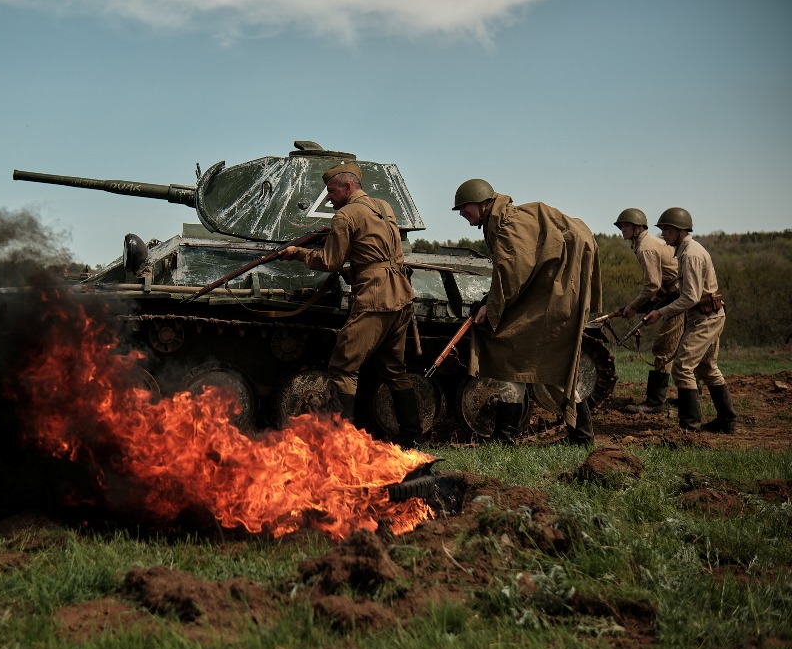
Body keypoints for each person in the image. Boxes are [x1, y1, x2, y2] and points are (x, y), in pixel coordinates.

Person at [277, 161, 422, 447]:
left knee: (344, 368)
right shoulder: (383, 207)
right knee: (395, 369)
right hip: (402, 295)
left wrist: (297, 253)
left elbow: (330, 261)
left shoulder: (345, 216)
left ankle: (340, 442)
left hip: (375, 297)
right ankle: (411, 435)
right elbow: (377, 251)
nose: (329, 197)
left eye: (331, 191)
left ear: (348, 187)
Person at [452, 178, 602, 445]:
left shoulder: (508, 225)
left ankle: (580, 436)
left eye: (466, 207)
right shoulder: (502, 221)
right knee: (516, 366)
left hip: (550, 300)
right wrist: (491, 298)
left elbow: (511, 272)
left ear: (483, 202)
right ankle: (506, 437)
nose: (463, 213)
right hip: (543, 297)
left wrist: (491, 306)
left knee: (546, 368)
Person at [643, 207, 736, 433]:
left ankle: (689, 427)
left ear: (680, 230)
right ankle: (727, 421)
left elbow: (691, 297)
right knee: (706, 367)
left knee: (683, 367)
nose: (663, 234)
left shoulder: (690, 254)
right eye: (663, 229)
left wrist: (661, 312)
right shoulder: (684, 250)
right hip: (706, 315)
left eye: (667, 229)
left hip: (706, 318)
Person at [613, 208, 683, 413]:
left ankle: (654, 403)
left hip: (678, 296)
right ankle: (689, 396)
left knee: (664, 349)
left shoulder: (645, 247)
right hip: (676, 294)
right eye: (621, 226)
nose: (622, 229)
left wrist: (634, 306)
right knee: (682, 348)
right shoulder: (646, 243)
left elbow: (652, 285)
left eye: (626, 226)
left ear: (638, 227)